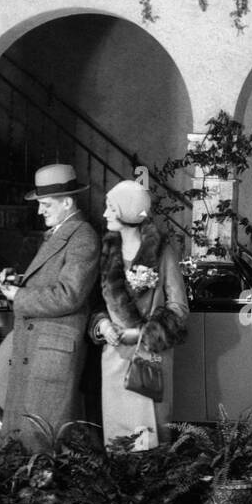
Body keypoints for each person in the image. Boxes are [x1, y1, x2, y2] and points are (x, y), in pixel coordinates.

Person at [0, 163, 100, 452]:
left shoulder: (82, 237)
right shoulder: (61, 233)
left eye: (45, 204)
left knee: (41, 440)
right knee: (28, 438)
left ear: (67, 203)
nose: (40, 210)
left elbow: (69, 295)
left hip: (52, 354)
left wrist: (19, 295)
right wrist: (19, 284)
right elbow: (55, 282)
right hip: (41, 350)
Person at [89, 179, 188, 447]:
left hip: (150, 359)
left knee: (150, 438)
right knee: (118, 440)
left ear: (127, 212)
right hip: (115, 358)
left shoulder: (163, 251)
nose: (105, 214)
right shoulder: (105, 252)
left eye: (111, 208)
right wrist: (103, 327)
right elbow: (96, 306)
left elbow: (179, 309)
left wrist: (143, 333)